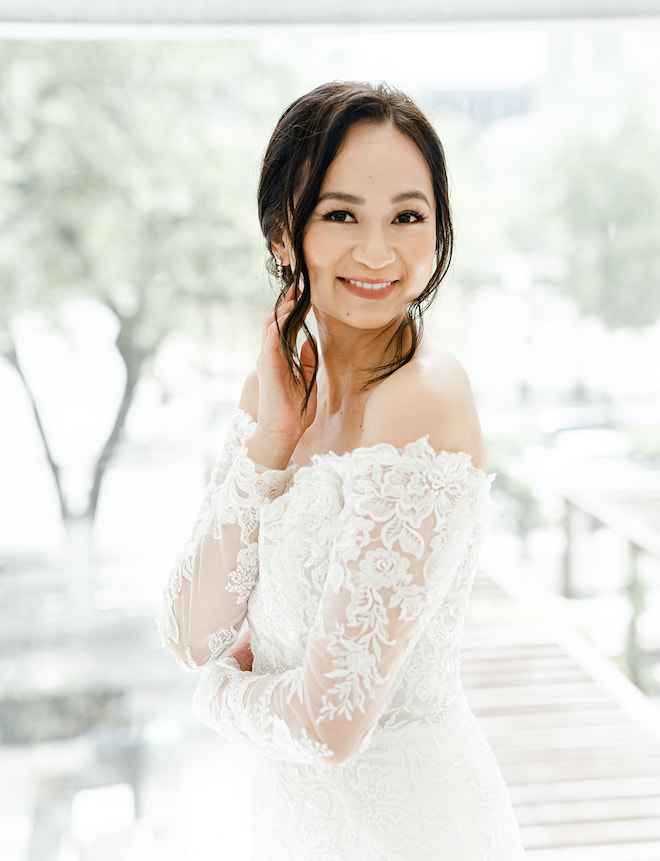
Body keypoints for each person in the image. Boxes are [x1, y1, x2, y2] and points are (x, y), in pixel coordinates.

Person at [157, 81, 525, 859]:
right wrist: (270, 444)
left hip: (411, 829)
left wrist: (219, 695)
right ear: (281, 234)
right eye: (341, 214)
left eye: (407, 216)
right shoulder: (276, 384)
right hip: (291, 823)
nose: (378, 251)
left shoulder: (424, 395)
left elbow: (329, 722)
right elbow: (193, 629)